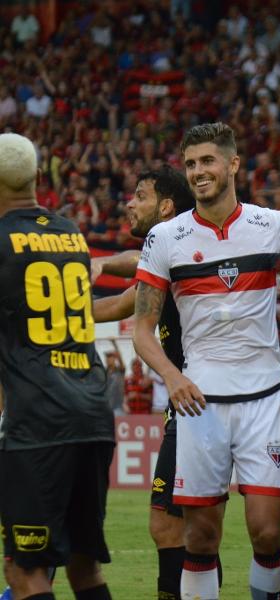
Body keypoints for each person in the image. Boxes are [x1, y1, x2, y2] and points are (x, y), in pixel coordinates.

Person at [132, 122, 280, 599]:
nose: (198, 172)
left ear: (232, 164)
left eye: (207, 161)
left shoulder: (272, 225)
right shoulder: (166, 237)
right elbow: (142, 331)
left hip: (264, 397)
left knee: (266, 532)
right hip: (199, 403)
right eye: (190, 164)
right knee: (202, 536)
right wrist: (172, 376)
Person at [0, 133, 115, 600]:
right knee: (84, 567)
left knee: (25, 572)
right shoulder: (70, 232)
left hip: (38, 424)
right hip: (92, 413)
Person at [92, 165, 205, 599]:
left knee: (174, 526)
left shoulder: (181, 243)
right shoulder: (168, 254)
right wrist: (57, 309)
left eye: (139, 195)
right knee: (184, 528)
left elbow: (128, 280)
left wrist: (96, 263)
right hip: (189, 401)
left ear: (166, 206)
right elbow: (125, 301)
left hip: (200, 396)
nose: (129, 203)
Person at [104, 340, 126, 416]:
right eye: (107, 357)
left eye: (110, 357)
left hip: (118, 408)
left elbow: (121, 360)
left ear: (114, 358)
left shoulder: (120, 371)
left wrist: (115, 344)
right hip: (106, 407)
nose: (108, 359)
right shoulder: (104, 372)